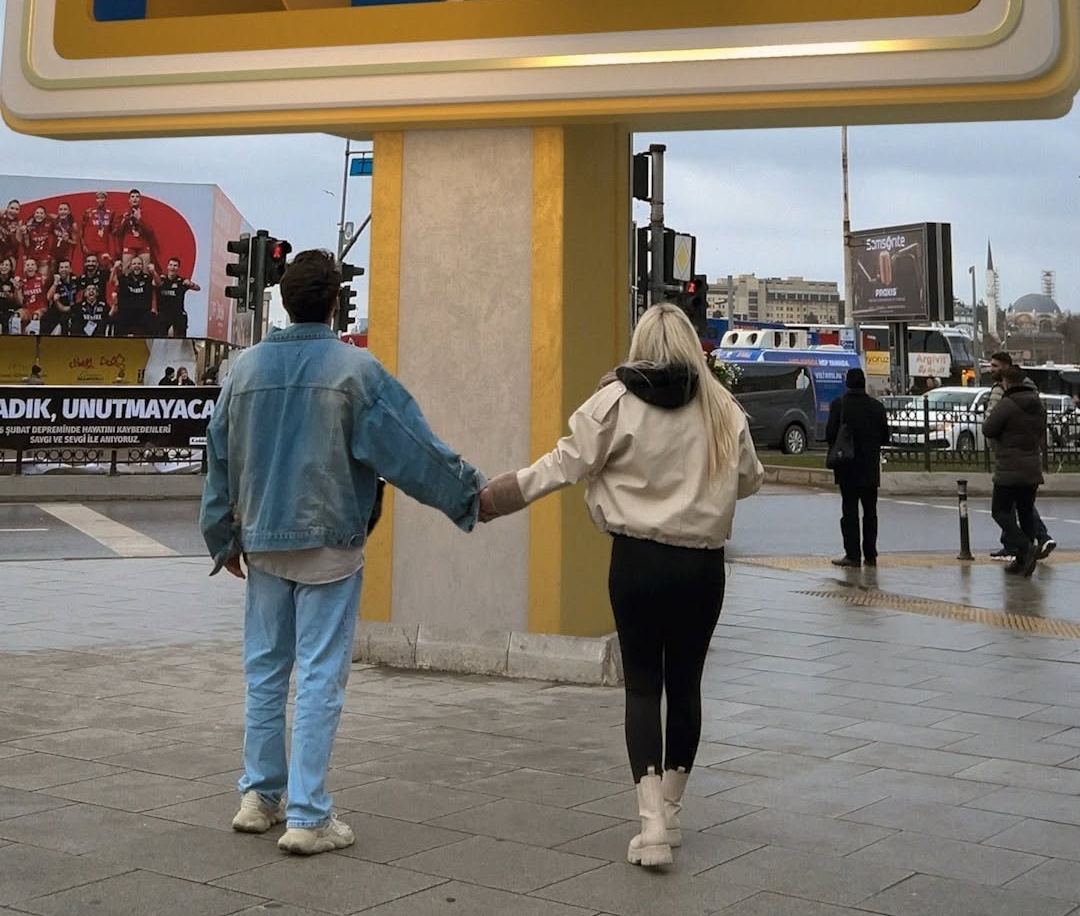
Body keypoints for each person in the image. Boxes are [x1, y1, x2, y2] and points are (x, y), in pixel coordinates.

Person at [200, 247, 485, 858]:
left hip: (262, 540)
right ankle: (308, 815)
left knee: (265, 670)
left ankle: (259, 796)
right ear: (335, 302)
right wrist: (468, 495)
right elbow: (410, 448)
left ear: (283, 300)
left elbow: (218, 457)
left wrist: (222, 536)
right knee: (319, 675)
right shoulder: (355, 371)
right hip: (329, 539)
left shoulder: (244, 370)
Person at [478, 301, 762, 871]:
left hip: (637, 562)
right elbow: (750, 479)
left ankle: (650, 825)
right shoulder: (722, 407)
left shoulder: (615, 401)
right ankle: (673, 812)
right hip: (702, 568)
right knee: (686, 686)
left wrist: (494, 499)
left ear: (641, 346)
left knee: (642, 687)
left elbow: (562, 464)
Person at [985, 351, 1055, 561]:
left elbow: (988, 428)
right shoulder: (1037, 404)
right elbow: (1041, 431)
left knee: (1000, 511)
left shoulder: (1007, 403)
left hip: (1009, 465)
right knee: (1025, 512)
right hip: (1032, 466)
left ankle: (1024, 548)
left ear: (1006, 382)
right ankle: (1026, 558)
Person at [825, 367, 891, 568]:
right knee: (870, 512)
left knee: (850, 511)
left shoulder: (839, 405)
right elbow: (885, 437)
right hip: (870, 467)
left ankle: (853, 555)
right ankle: (870, 554)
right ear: (864, 383)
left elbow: (830, 434)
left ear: (847, 383)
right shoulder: (876, 407)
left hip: (847, 467)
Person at [155, 258, 200, 339]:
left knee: (182, 321)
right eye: (171, 265)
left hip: (177, 313)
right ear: (167, 267)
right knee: (160, 335)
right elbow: (154, 283)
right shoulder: (161, 280)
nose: (172, 267)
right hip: (163, 313)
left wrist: (191, 284)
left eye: (175, 266)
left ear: (178, 268)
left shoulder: (181, 281)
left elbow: (198, 288)